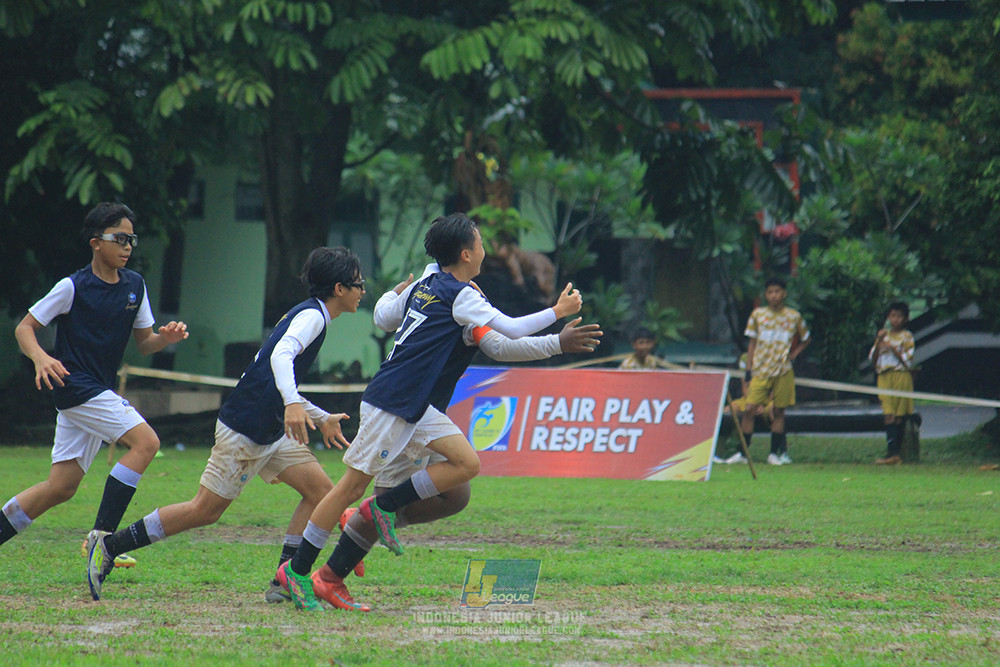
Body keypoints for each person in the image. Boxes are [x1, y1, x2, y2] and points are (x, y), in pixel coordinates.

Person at [279, 212, 583, 611]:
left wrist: (399, 291)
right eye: (479, 241)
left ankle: (368, 525)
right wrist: (557, 313)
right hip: (395, 402)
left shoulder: (427, 282)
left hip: (414, 406)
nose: (484, 248)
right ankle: (299, 568)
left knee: (463, 469)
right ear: (466, 253)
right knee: (350, 488)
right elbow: (508, 331)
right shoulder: (462, 295)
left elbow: (384, 316)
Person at [85, 247, 361, 601]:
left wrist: (319, 416)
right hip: (246, 429)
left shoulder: (310, 315)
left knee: (320, 492)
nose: (361, 290)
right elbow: (280, 357)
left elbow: (267, 376)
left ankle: (285, 580)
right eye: (358, 283)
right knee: (205, 510)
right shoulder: (314, 318)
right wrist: (293, 403)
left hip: (271, 429)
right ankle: (110, 546)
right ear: (339, 288)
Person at [1, 202, 189, 572]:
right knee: (147, 442)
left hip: (93, 391)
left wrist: (164, 338)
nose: (128, 246)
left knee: (61, 487)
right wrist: (41, 358)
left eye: (131, 239)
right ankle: (102, 539)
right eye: (119, 238)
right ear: (95, 243)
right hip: (76, 387)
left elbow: (145, 342)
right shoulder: (73, 286)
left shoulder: (135, 285)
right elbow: (25, 328)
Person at [728, 277, 810, 466]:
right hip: (761, 370)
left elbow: (806, 338)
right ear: (766, 295)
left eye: (778, 292)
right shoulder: (758, 315)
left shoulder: (793, 316)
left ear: (784, 294)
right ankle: (743, 453)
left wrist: (794, 354)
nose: (774, 296)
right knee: (749, 409)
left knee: (779, 411)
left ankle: (773, 453)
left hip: (782, 370)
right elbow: (752, 343)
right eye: (770, 292)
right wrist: (749, 370)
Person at [869, 301, 915, 465]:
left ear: (905, 319)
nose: (895, 320)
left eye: (899, 316)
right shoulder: (883, 335)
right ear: (889, 317)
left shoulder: (907, 336)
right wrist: (878, 342)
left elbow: (908, 361)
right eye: (893, 316)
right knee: (888, 413)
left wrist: (893, 349)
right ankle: (891, 453)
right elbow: (873, 361)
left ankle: (896, 454)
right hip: (884, 376)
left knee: (899, 416)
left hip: (900, 376)